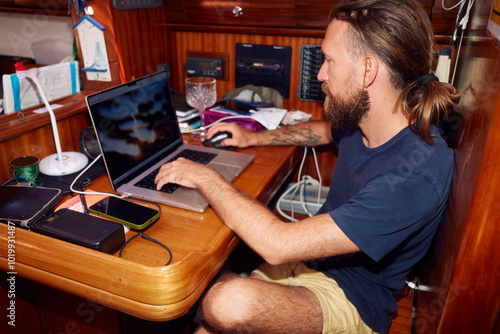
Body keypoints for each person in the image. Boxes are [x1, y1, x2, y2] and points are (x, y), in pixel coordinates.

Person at [155, 0, 467, 333]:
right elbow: (321, 131)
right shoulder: (364, 119)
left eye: (329, 60)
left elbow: (278, 244)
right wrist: (253, 139)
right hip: (308, 262)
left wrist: (206, 177)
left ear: (368, 71)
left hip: (353, 299)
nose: (320, 74)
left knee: (227, 302)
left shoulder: (413, 176)